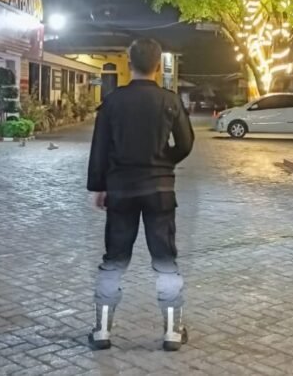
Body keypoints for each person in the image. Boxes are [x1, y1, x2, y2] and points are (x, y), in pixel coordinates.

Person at [87, 38, 195, 352]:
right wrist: (164, 162)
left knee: (114, 259)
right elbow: (186, 144)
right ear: (158, 66)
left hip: (121, 190)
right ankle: (172, 331)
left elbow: (99, 148)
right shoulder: (170, 101)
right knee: (164, 258)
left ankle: (102, 330)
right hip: (159, 190)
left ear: (129, 62)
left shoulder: (112, 102)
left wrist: (99, 187)